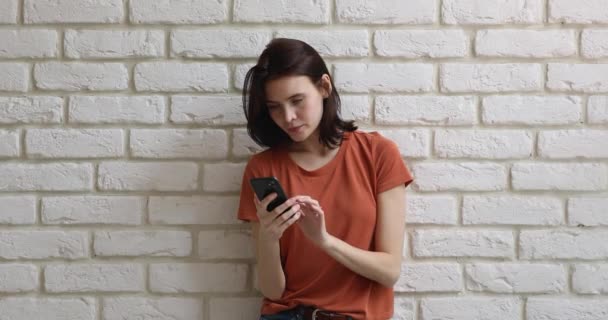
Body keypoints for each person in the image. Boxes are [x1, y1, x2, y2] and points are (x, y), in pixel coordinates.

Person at [237, 38, 414, 320]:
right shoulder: (262, 168)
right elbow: (273, 290)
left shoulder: (377, 154)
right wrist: (269, 238)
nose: (288, 117)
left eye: (297, 101)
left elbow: (389, 271)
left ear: (324, 87)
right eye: (274, 107)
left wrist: (323, 240)